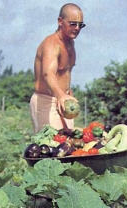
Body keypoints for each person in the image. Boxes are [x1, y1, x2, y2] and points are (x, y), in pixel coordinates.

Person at [30, 3, 85, 133]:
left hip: (64, 101)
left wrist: (67, 93)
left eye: (80, 25)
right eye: (73, 24)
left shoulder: (70, 43)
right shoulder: (51, 44)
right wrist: (60, 95)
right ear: (60, 21)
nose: (77, 28)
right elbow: (48, 74)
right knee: (51, 147)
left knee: (68, 147)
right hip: (46, 101)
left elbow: (65, 73)